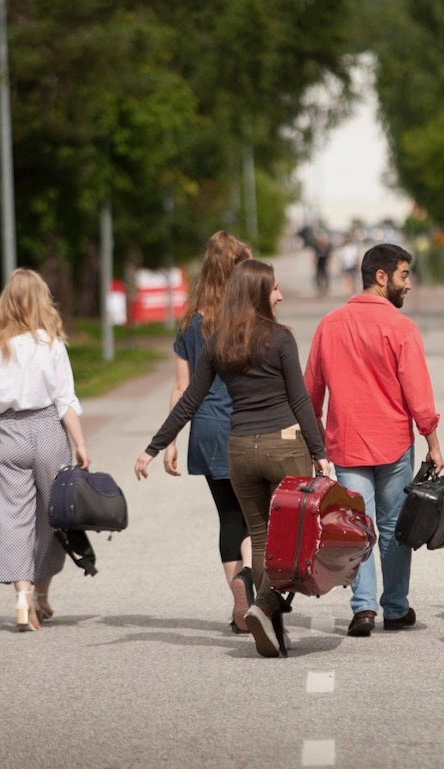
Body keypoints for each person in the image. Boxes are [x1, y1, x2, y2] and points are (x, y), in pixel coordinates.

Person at [135, 260, 331, 659]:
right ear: (260, 293)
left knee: (259, 538)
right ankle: (269, 607)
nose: (279, 295)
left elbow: (190, 399)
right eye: (275, 288)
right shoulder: (280, 338)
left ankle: (269, 620)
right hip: (282, 448)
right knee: (290, 541)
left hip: (240, 449)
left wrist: (154, 447)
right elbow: (298, 400)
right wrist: (320, 452)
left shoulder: (219, 343)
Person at [304, 243, 444, 638]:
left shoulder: (329, 324)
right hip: (394, 444)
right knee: (395, 526)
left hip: (346, 445)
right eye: (403, 275)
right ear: (380, 277)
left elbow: (310, 393)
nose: (409, 285)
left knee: (356, 527)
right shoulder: (401, 328)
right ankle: (395, 608)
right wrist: (433, 442)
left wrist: (316, 446)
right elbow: (419, 394)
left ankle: (363, 609)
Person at [0, 268, 90, 632]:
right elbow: (64, 399)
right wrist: (81, 444)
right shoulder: (50, 343)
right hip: (48, 428)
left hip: (10, 432)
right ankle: (40, 593)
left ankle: (23, 599)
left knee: (12, 516)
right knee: (54, 516)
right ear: (41, 300)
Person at [163, 231, 254, 633]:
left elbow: (181, 387)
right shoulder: (248, 322)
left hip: (205, 429)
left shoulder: (191, 323)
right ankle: (249, 585)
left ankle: (237, 599)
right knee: (259, 518)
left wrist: (168, 441)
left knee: (229, 518)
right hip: (246, 426)